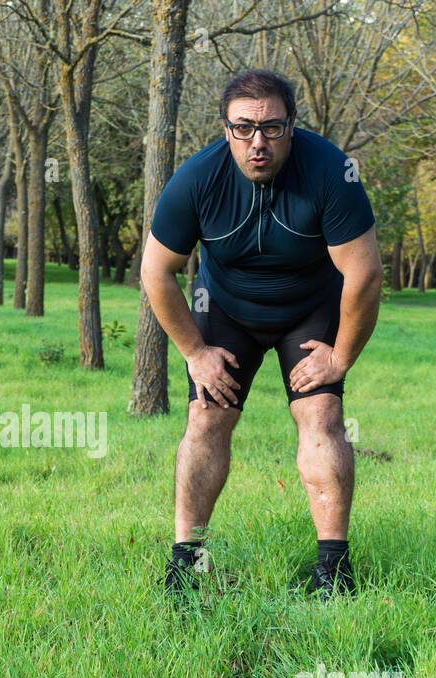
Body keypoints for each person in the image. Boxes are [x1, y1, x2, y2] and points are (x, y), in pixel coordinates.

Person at [139, 69, 383, 600]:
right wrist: (194, 353)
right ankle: (186, 565)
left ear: (291, 126)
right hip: (225, 310)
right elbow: (156, 272)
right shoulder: (195, 178)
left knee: (321, 414)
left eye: (272, 128)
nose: (258, 142)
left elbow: (364, 274)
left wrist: (340, 357)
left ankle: (332, 573)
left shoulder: (331, 172)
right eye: (244, 127)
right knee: (205, 416)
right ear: (225, 129)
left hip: (310, 310)